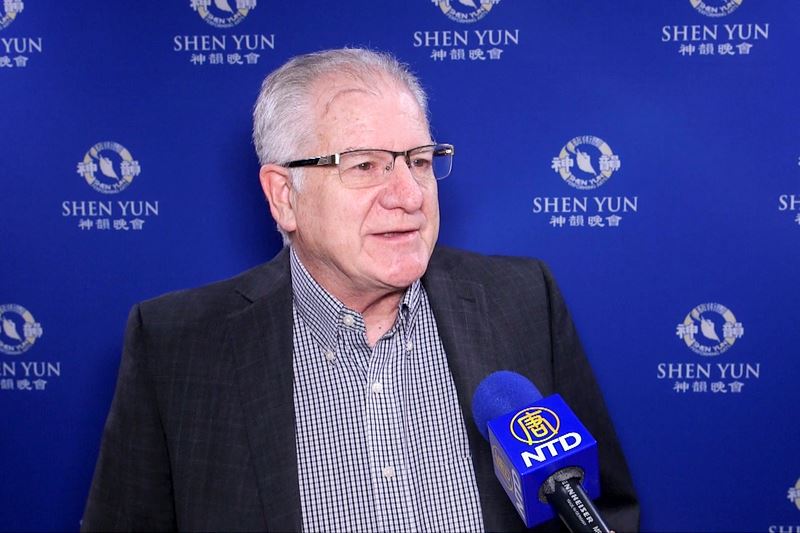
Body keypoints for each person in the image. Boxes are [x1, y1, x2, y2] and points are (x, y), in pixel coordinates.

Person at [82, 48, 639, 532]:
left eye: (419, 161)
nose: (408, 195)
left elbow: (601, 507)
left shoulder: (522, 300)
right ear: (284, 196)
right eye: (365, 165)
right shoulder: (175, 347)